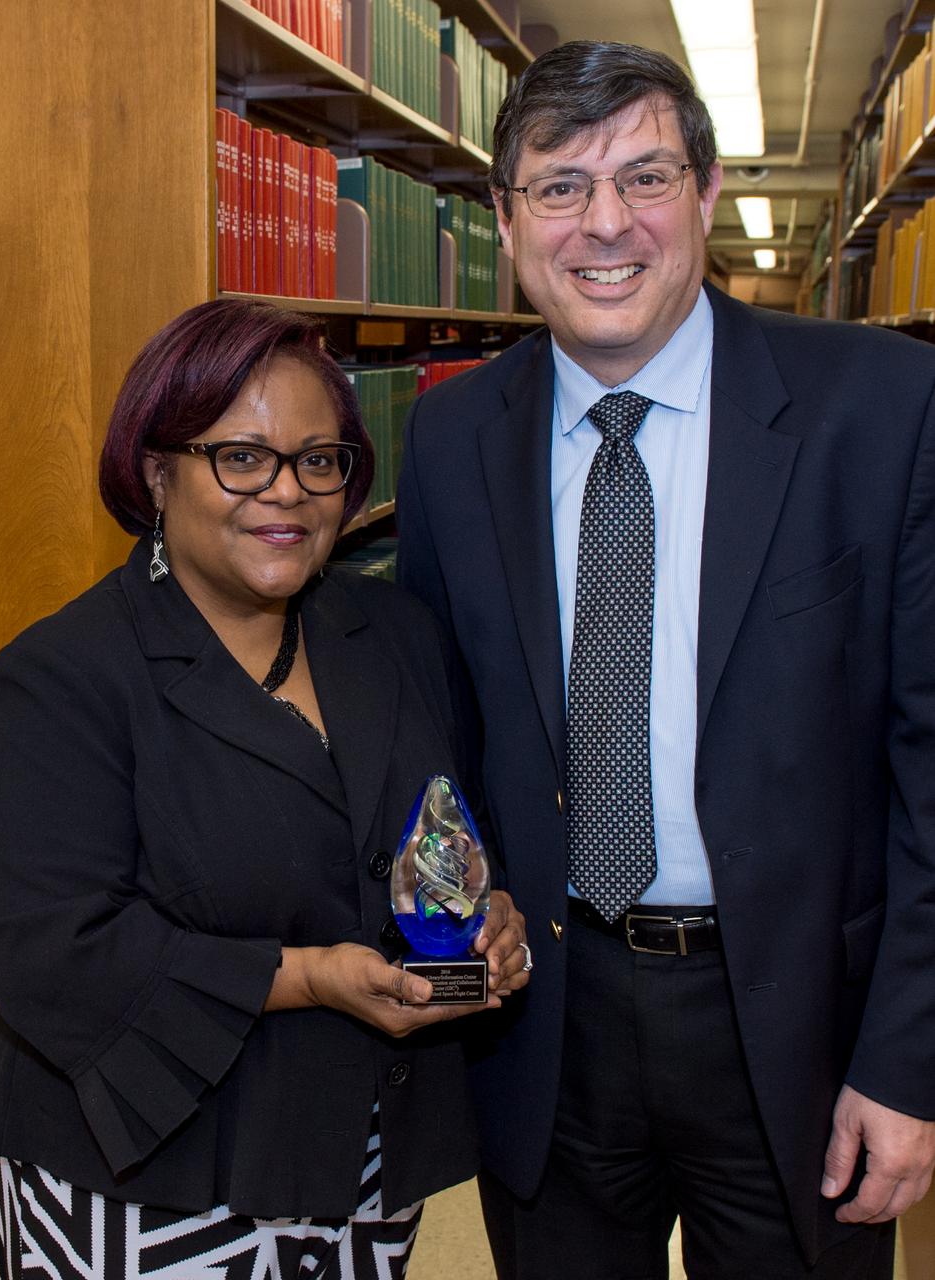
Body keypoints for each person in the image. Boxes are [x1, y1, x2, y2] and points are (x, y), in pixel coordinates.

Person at [396, 39, 935, 1280]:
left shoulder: (884, 408)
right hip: (545, 1022)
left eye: (643, 177)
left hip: (800, 1032)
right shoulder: (448, 435)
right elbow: (437, 735)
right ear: (504, 216)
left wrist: (906, 1061)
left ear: (700, 193)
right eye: (559, 185)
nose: (605, 225)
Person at [0, 299, 530, 1280]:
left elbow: (442, 830)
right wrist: (306, 975)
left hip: (354, 1158)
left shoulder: (392, 634)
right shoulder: (62, 676)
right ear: (155, 467)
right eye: (242, 457)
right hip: (147, 1170)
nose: (287, 492)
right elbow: (54, 949)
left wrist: (489, 913)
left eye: (319, 459)